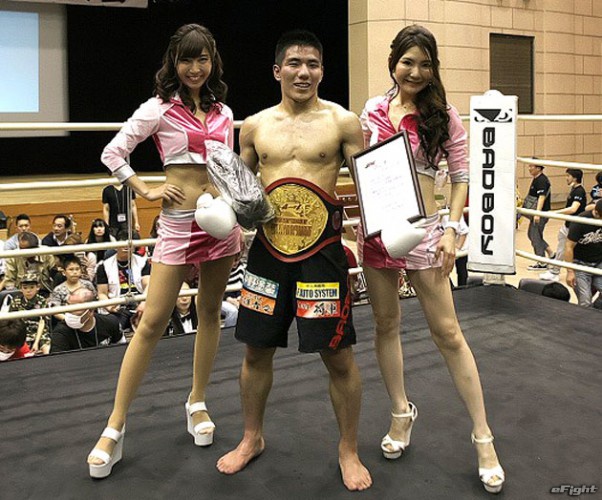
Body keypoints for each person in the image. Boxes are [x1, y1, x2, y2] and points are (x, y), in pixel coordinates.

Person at [216, 30, 372, 492]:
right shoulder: (255, 126)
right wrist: (218, 218)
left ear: (322, 71)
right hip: (267, 252)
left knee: (338, 354)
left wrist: (390, 227)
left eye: (313, 64)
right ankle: (252, 437)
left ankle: (348, 449)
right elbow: (238, 189)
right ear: (277, 70)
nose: (304, 72)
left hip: (322, 252)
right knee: (255, 349)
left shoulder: (343, 122)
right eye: (295, 63)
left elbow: (372, 183)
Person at [87, 24, 241, 479]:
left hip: (220, 224)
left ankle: (197, 401)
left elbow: (227, 165)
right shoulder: (157, 108)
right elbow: (113, 153)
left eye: (202, 59)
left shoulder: (224, 112)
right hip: (176, 226)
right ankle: (114, 426)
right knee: (152, 322)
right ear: (173, 62)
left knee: (210, 313)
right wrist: (146, 190)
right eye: (186, 59)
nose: (195, 68)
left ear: (213, 61)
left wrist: (231, 200)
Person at [356, 25, 504, 493]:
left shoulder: (445, 116)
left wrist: (452, 231)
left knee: (449, 333)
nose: (415, 72)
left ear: (434, 68)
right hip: (376, 234)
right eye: (408, 62)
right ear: (393, 63)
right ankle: (401, 413)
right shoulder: (372, 110)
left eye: (425, 64)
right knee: (385, 324)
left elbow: (461, 177)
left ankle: (483, 436)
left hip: (424, 233)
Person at [95, 230, 150, 333]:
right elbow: (102, 293)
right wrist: (109, 307)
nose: (127, 246)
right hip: (118, 306)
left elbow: (148, 285)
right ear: (117, 244)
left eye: (130, 243)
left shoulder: (142, 262)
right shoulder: (104, 266)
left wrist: (144, 303)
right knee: (116, 328)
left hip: (139, 304)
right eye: (123, 242)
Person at [540, 168, 587, 281]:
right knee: (563, 247)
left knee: (564, 249)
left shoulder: (579, 191)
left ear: (574, 178)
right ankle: (556, 271)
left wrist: (555, 213)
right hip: (569, 225)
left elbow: (573, 209)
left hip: (574, 226)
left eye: (568, 176)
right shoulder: (574, 190)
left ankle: (555, 272)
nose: (566, 178)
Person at [50, 288, 123, 352]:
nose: (70, 313)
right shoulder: (60, 333)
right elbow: (57, 361)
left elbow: (122, 349)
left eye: (75, 309)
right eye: (68, 307)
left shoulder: (110, 323)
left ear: (91, 311)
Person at [564, 199, 602, 308]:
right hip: (580, 264)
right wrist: (570, 271)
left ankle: (596, 308)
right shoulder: (580, 221)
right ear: (596, 213)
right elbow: (568, 246)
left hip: (599, 262)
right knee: (585, 301)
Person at [1, 232, 57, 296]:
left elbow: (55, 275)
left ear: (36, 248)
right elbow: (10, 281)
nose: (22, 251)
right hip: (21, 292)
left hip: (45, 290)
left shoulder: (46, 253)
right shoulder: (13, 257)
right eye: (20, 248)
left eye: (25, 249)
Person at [8, 271, 51, 354]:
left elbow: (42, 322)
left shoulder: (42, 301)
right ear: (21, 288)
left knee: (47, 349)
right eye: (25, 288)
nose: (28, 290)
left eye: (32, 287)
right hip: (22, 332)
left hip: (40, 333)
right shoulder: (16, 301)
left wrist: (36, 342)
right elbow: (12, 322)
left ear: (37, 287)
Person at [48, 255, 97, 322]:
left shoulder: (88, 285)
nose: (75, 272)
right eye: (71, 269)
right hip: (67, 320)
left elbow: (95, 301)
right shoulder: (58, 290)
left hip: (89, 319)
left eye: (77, 269)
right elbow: (56, 311)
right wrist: (70, 320)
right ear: (64, 272)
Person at [524, 163, 553, 271]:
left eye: (531, 166)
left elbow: (541, 197)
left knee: (535, 236)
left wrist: (537, 213)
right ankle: (551, 253)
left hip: (541, 214)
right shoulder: (537, 179)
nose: (529, 169)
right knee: (532, 235)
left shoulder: (541, 180)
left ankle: (542, 262)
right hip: (537, 213)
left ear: (538, 168)